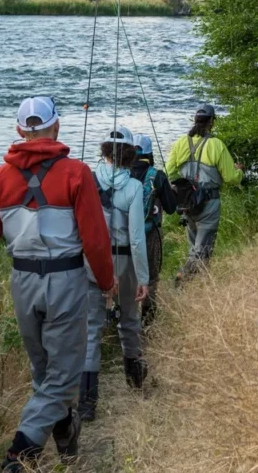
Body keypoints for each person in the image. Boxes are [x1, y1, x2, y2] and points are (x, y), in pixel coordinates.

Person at [0, 96, 116, 473]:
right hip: (66, 280)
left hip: (22, 282)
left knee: (43, 373)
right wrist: (106, 281)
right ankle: (20, 455)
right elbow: (96, 239)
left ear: (20, 131)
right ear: (56, 126)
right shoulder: (75, 173)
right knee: (62, 375)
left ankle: (66, 432)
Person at [80, 126, 150, 422]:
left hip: (91, 262)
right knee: (130, 319)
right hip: (123, 260)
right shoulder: (133, 187)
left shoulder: (87, 179)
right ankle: (134, 382)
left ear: (104, 150)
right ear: (130, 153)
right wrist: (143, 277)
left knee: (92, 329)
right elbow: (136, 238)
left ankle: (87, 405)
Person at [166, 104, 243, 283]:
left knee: (194, 247)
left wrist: (183, 185)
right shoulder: (216, 145)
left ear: (195, 120)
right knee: (203, 250)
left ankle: (200, 286)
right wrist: (239, 172)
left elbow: (169, 171)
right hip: (209, 203)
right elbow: (231, 178)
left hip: (187, 203)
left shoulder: (180, 143)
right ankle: (182, 277)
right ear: (211, 122)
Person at [130, 133, 177, 324]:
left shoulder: (121, 173)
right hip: (151, 234)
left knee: (127, 277)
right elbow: (172, 208)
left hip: (124, 235)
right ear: (149, 153)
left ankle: (123, 318)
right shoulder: (156, 176)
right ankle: (147, 322)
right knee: (150, 279)